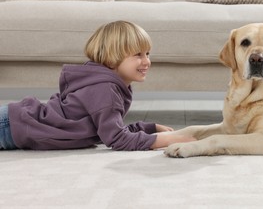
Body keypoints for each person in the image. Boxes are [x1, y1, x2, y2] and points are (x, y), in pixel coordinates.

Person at [0, 20, 196, 151]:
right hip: (10, 126)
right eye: (138, 55)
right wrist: (166, 140)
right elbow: (117, 139)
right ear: (112, 59)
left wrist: (148, 127)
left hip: (15, 123)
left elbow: (105, 128)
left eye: (148, 54)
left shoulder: (107, 86)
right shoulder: (105, 89)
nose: (146, 62)